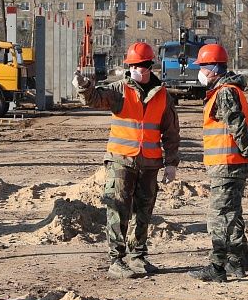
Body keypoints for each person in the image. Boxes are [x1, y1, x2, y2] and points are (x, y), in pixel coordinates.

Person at [73, 42, 180, 279]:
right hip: (121, 161)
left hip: (150, 163)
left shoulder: (162, 95)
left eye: (140, 66)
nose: (136, 70)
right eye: (132, 66)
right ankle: (116, 260)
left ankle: (138, 256)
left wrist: (171, 162)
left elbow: (171, 131)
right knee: (117, 208)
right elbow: (95, 98)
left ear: (149, 66)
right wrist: (84, 87)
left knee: (144, 212)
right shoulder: (119, 90)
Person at [188, 43, 248, 283]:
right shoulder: (225, 90)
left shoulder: (225, 92)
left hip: (227, 165)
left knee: (219, 216)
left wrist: (247, 152)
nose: (200, 72)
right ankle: (235, 262)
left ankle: (217, 267)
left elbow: (237, 125)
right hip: (229, 164)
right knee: (233, 213)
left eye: (202, 67)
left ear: (214, 68)